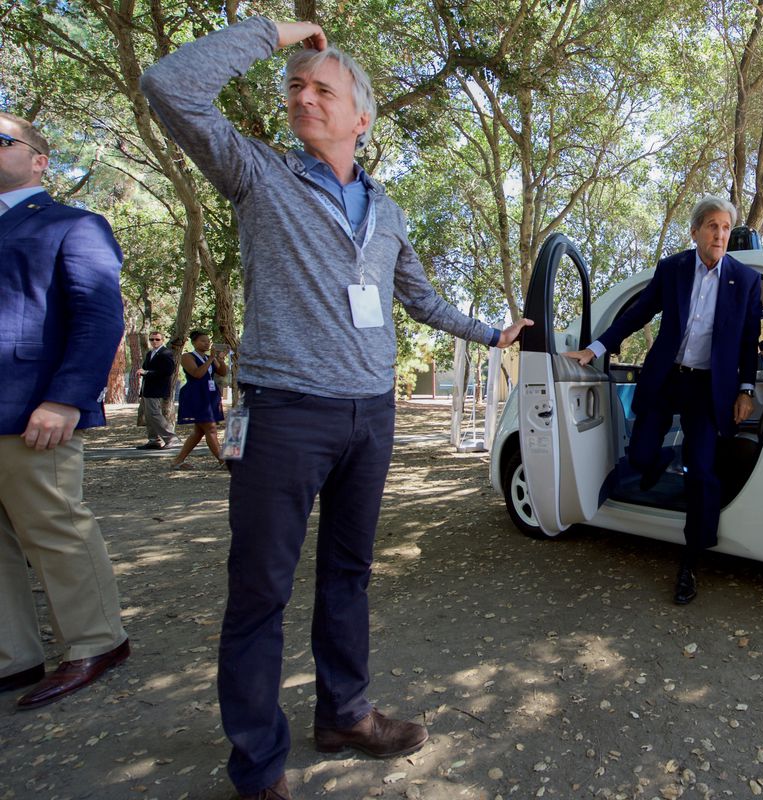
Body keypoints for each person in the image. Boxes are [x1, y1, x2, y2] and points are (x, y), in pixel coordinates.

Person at [141, 19, 532, 800]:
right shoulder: (256, 172)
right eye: (296, 86)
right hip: (283, 411)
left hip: (370, 415)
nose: (303, 95)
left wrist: (494, 331)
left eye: (325, 88)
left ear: (363, 118)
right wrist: (276, 33)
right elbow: (168, 85)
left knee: (350, 573)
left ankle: (345, 714)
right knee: (260, 589)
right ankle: (257, 766)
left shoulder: (386, 210)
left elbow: (417, 300)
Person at [565, 196, 761, 606]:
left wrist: (745, 390)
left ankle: (692, 558)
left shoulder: (744, 280)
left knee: (703, 472)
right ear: (695, 232)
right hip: (667, 377)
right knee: (637, 456)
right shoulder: (672, 270)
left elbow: (747, 341)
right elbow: (638, 313)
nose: (720, 235)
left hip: (710, 389)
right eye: (712, 226)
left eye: (725, 228)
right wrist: (595, 348)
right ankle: (652, 462)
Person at [0, 112, 131, 709]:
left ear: (38, 160)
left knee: (54, 527)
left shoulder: (73, 225)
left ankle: (95, 641)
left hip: (32, 411)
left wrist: (65, 398)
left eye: (1, 140)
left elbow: (100, 314)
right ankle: (14, 656)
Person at [170, 330, 227, 470]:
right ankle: (222, 461)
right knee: (210, 427)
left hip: (209, 395)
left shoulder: (211, 358)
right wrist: (210, 359)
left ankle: (178, 461)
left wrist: (219, 359)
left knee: (199, 431)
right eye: (203, 341)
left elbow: (223, 372)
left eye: (208, 341)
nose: (206, 343)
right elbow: (197, 374)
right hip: (195, 394)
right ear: (194, 343)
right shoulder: (187, 357)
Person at [135, 330, 179, 449]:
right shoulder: (150, 354)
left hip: (157, 388)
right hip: (147, 388)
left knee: (154, 414)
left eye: (157, 339)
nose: (154, 341)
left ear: (162, 340)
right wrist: (143, 372)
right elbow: (145, 368)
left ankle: (171, 438)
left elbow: (168, 371)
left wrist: (147, 373)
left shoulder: (166, 353)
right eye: (152, 339)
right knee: (149, 416)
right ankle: (154, 440)